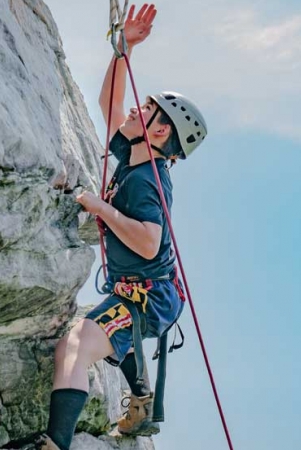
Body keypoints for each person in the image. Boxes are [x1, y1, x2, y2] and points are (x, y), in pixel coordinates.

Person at [36, 4, 208, 449]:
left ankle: (56, 444)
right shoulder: (133, 153)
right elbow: (107, 104)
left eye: (147, 109)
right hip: (139, 292)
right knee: (103, 327)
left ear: (159, 134)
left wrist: (102, 209)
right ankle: (142, 399)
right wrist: (123, 49)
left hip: (147, 298)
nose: (136, 107)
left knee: (74, 346)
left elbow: (150, 245)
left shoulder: (148, 180)